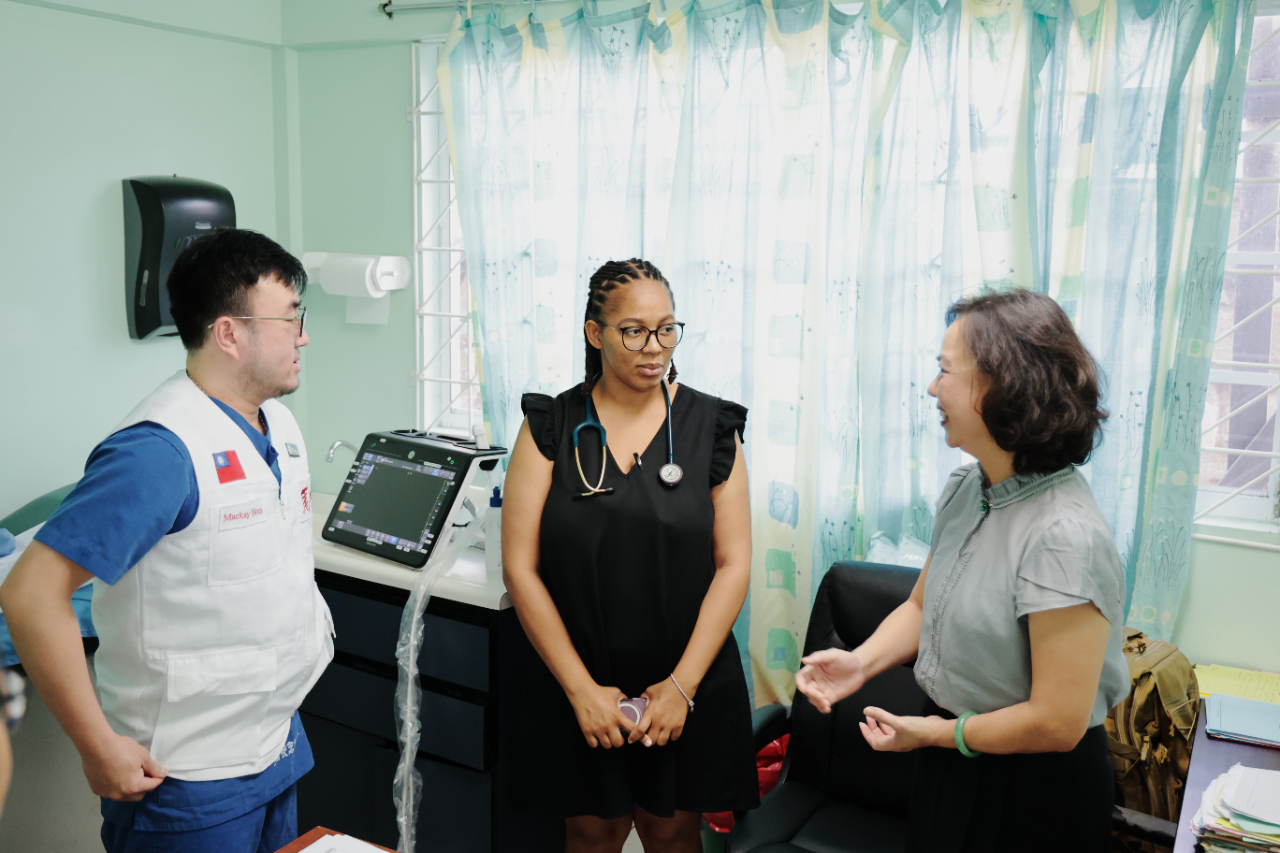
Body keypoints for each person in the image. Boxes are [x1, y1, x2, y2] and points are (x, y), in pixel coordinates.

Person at [0, 229, 334, 852]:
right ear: (229, 334)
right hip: (186, 779)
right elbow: (29, 595)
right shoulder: (158, 453)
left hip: (273, 743)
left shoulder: (279, 423)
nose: (303, 336)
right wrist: (97, 746)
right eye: (291, 318)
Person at [795, 289, 1129, 853]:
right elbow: (921, 604)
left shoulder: (1064, 535)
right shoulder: (970, 488)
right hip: (952, 756)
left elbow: (1056, 721)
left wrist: (938, 734)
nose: (932, 388)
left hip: (1032, 788)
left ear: (1004, 385)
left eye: (945, 371)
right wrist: (859, 664)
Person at [501, 259, 758, 853]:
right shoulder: (550, 426)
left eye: (667, 329)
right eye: (634, 331)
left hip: (686, 673)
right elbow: (521, 568)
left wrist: (681, 688)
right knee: (593, 831)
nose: (655, 347)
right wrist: (581, 691)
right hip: (577, 674)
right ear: (595, 333)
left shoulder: (712, 427)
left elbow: (734, 565)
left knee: (672, 830)